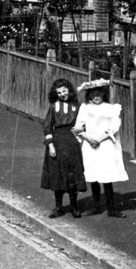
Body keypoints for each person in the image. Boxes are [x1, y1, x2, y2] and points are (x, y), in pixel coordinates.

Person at [73, 79, 130, 217]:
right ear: (90, 95)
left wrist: (97, 140)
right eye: (93, 94)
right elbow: (78, 127)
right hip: (90, 144)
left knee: (106, 176)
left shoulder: (112, 109)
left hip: (105, 145)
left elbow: (113, 128)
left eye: (99, 94)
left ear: (104, 95)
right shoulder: (85, 108)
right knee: (94, 176)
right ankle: (96, 206)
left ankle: (111, 209)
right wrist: (88, 139)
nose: (96, 97)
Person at [40, 78, 86, 218]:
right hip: (58, 142)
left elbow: (83, 124)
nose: (62, 94)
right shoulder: (54, 106)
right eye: (59, 92)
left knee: (72, 175)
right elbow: (47, 126)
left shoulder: (77, 105)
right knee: (57, 175)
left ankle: (74, 207)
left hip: (72, 142)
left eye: (64, 91)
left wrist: (79, 136)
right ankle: (58, 207)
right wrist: (51, 147)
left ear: (69, 90)